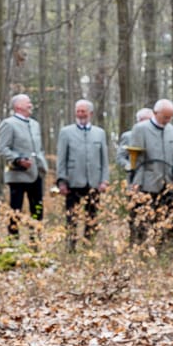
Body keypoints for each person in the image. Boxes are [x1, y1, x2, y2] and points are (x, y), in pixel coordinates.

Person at [125, 99, 173, 245]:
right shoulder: (140, 129)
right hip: (146, 183)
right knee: (143, 222)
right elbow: (136, 159)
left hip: (168, 184)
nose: (167, 120)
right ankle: (141, 249)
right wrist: (135, 183)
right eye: (165, 117)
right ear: (156, 113)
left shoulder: (171, 130)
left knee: (169, 220)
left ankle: (168, 250)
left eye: (170, 117)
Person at [56, 99, 111, 250]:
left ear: (90, 114)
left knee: (92, 216)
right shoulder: (66, 132)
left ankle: (89, 246)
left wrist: (104, 180)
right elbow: (61, 159)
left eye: (83, 111)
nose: (80, 114)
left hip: (94, 182)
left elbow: (104, 160)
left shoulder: (99, 133)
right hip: (73, 182)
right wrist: (61, 181)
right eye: (78, 111)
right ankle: (71, 246)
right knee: (71, 216)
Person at [0, 93, 48, 242]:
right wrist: (18, 159)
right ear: (18, 106)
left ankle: (35, 243)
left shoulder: (35, 124)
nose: (31, 105)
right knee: (15, 211)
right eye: (28, 103)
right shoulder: (8, 124)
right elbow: (2, 149)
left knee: (37, 210)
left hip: (36, 173)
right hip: (18, 175)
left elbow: (38, 149)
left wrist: (42, 163)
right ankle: (13, 244)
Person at [116, 107, 154, 177]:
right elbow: (120, 157)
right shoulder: (128, 136)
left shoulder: (156, 136)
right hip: (135, 177)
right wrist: (129, 166)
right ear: (140, 121)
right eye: (149, 121)